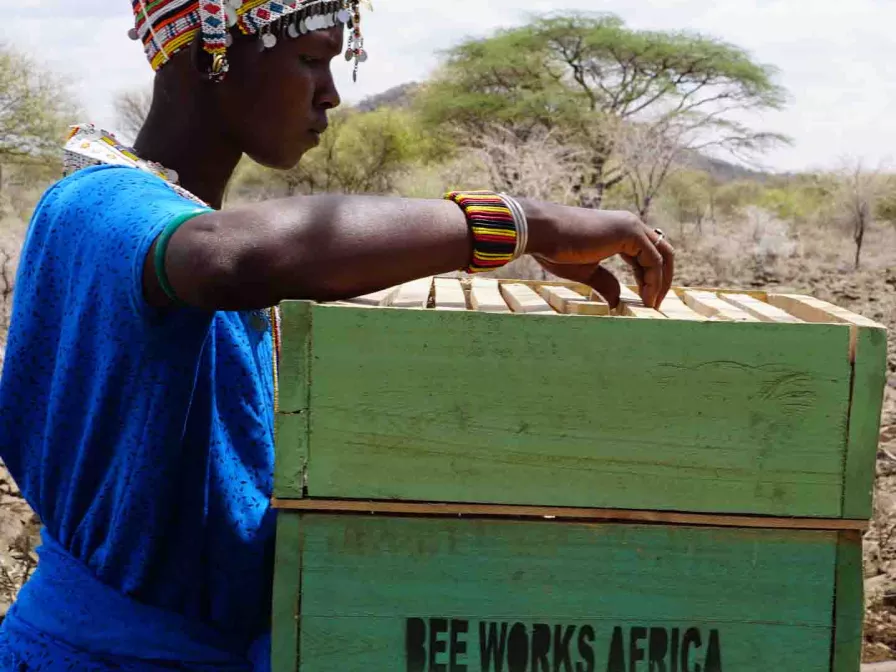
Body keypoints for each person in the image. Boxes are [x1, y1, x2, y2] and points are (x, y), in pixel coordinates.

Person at [0, 0, 675, 670]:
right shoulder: (101, 203)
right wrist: (521, 224)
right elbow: (233, 259)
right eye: (312, 59)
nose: (330, 94)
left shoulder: (163, 216)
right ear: (211, 54)